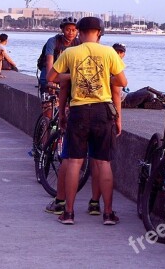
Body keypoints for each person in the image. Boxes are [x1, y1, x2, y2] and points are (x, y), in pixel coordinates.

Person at [48, 17, 127, 226]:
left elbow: (51, 77)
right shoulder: (109, 52)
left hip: (79, 111)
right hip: (103, 112)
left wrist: (73, 76)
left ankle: (69, 213)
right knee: (103, 163)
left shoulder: (70, 53)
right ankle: (108, 214)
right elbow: (122, 82)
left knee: (74, 162)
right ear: (99, 33)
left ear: (80, 33)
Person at [38, 18, 80, 94]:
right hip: (51, 68)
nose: (71, 33)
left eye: (74, 30)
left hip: (67, 70)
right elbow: (49, 62)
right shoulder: (53, 41)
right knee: (45, 84)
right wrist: (50, 81)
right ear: (62, 30)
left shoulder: (78, 43)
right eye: (68, 30)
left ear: (77, 31)